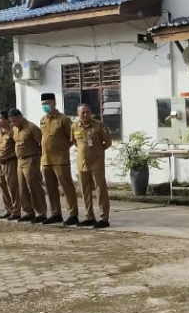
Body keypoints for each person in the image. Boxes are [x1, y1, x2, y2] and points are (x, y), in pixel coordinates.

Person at [39, 93, 79, 226]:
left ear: (54, 103)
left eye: (48, 103)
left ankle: (73, 214)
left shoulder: (63, 119)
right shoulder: (43, 119)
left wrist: (62, 149)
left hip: (60, 159)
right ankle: (56, 213)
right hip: (46, 160)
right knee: (50, 188)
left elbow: (72, 138)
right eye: (43, 104)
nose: (45, 106)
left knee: (67, 188)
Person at [71, 104, 113, 228]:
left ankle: (104, 218)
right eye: (82, 112)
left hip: (97, 163)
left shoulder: (99, 125)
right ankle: (89, 216)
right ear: (78, 113)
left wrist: (98, 151)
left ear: (91, 113)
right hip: (82, 163)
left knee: (101, 190)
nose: (85, 115)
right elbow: (74, 142)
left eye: (87, 112)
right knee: (85, 191)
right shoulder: (74, 126)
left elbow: (108, 142)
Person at [9, 109, 48, 223]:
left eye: (15, 120)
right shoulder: (15, 129)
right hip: (20, 161)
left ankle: (41, 212)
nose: (14, 123)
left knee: (34, 186)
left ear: (20, 117)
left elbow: (42, 144)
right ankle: (28, 211)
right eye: (12, 121)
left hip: (31, 159)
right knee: (22, 187)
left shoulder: (31, 128)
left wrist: (37, 158)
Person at [0, 110, 19, 220]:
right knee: (2, 186)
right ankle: (8, 209)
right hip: (1, 163)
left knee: (13, 187)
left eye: (0, 119)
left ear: (7, 120)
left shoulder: (12, 131)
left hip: (10, 162)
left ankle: (16, 210)